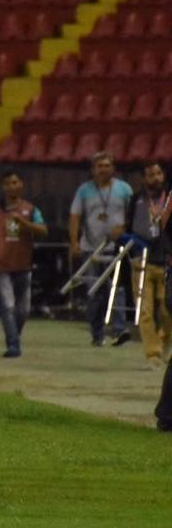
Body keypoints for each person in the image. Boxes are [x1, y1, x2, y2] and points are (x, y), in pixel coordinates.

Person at [0, 170, 48, 358]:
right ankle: (13, 344)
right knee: (8, 305)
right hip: (1, 264)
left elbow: (43, 230)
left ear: (21, 185)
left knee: (23, 309)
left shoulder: (30, 209)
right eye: (8, 183)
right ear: (3, 187)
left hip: (23, 264)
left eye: (15, 182)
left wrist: (25, 223)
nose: (12, 186)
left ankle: (15, 335)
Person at [69, 152, 133, 346]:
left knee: (118, 289)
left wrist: (125, 228)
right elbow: (75, 216)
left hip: (117, 248)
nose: (103, 169)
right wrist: (74, 242)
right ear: (93, 169)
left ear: (113, 168)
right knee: (95, 292)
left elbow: (134, 213)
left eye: (107, 165)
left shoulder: (124, 189)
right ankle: (97, 333)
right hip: (91, 248)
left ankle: (119, 330)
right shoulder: (84, 191)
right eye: (99, 166)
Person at [125, 161, 172, 367]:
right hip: (142, 261)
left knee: (167, 310)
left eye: (159, 173)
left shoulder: (169, 198)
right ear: (144, 178)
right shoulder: (136, 199)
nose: (155, 178)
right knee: (144, 311)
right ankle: (152, 353)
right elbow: (129, 226)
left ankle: (165, 342)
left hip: (166, 262)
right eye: (150, 174)